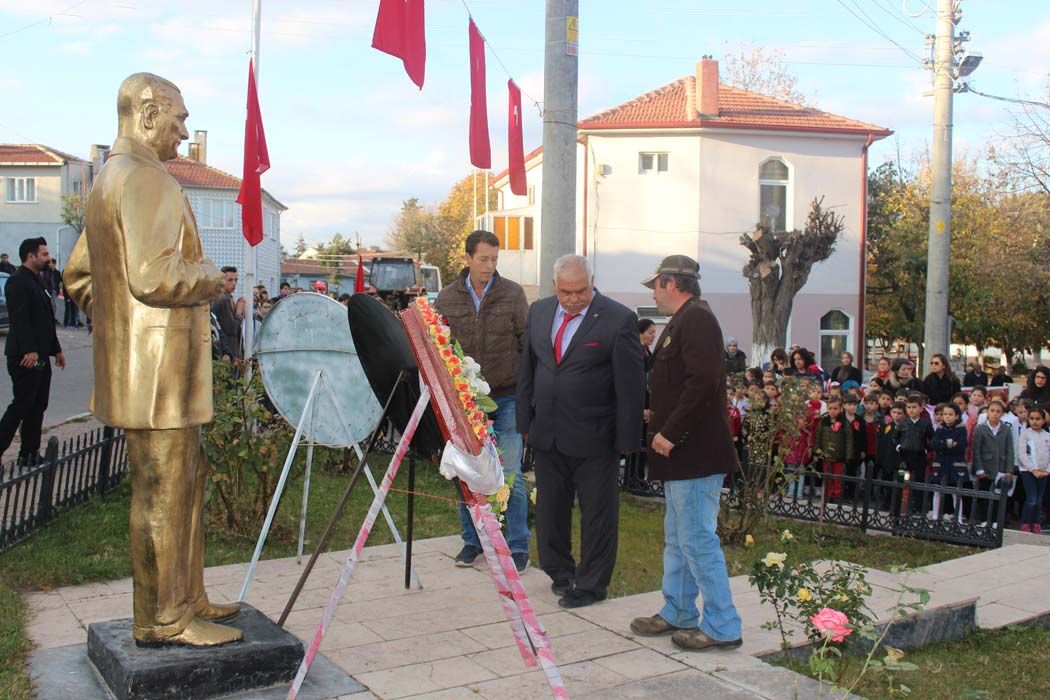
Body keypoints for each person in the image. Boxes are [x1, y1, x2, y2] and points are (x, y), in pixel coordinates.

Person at [64, 72, 240, 647]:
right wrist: (212, 278)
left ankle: (186, 596)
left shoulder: (109, 179)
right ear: (147, 114)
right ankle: (164, 619)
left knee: (182, 483)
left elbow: (81, 277)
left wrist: (122, 326)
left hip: (148, 368)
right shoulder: (143, 180)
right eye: (179, 118)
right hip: (161, 377)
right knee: (164, 489)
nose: (185, 132)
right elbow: (153, 276)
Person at [628, 254, 742, 652]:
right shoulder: (686, 319)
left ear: (671, 283)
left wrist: (670, 431)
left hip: (693, 454)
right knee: (678, 538)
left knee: (696, 539)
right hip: (683, 456)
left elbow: (705, 381)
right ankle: (678, 609)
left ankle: (723, 625)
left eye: (655, 287)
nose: (654, 295)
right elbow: (684, 383)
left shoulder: (696, 319)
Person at [517, 254, 643, 607]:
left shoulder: (617, 319)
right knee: (550, 510)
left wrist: (627, 441)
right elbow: (527, 368)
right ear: (555, 286)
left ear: (592, 283)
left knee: (598, 516)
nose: (573, 300)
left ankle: (591, 585)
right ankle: (560, 572)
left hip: (596, 437)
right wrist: (524, 422)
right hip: (547, 433)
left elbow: (632, 387)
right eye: (566, 292)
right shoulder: (540, 312)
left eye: (581, 291)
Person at [436, 230, 530, 573]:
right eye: (483, 259)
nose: (490, 266)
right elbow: (438, 347)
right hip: (464, 401)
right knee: (468, 472)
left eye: (495, 259)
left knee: (510, 474)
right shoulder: (446, 298)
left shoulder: (513, 294)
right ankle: (472, 541)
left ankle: (517, 546)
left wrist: (527, 395)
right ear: (468, 258)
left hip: (506, 397)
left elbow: (528, 343)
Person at [0, 237, 66, 466]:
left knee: (37, 404)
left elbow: (46, 320)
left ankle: (28, 454)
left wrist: (56, 350)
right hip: (25, 357)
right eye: (45, 254)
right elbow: (21, 319)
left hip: (39, 357)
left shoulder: (37, 281)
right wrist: (29, 350)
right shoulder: (17, 281)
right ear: (31, 255)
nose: (49, 258)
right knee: (22, 403)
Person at [971, 400, 1015, 528]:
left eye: (998, 411)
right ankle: (985, 519)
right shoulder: (981, 429)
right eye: (992, 411)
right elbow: (976, 450)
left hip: (1000, 468)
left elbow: (1010, 450)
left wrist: (1009, 469)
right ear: (987, 412)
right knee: (985, 495)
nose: (995, 414)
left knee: (999, 496)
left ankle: (996, 520)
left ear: (1002, 414)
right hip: (986, 467)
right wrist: (979, 469)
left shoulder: (1006, 429)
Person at [930, 403, 967, 521]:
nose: (947, 417)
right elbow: (934, 444)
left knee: (956, 493)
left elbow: (960, 446)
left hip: (955, 465)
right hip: (941, 463)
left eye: (950, 414)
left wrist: (944, 444)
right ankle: (936, 516)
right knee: (937, 490)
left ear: (957, 416)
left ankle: (958, 518)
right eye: (945, 414)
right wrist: (949, 443)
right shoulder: (940, 429)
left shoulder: (961, 429)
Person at [898, 394, 933, 514]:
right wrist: (898, 446)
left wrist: (927, 449)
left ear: (921, 409)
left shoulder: (925, 424)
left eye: (914, 407)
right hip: (904, 457)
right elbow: (895, 437)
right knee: (903, 479)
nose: (911, 410)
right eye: (908, 407)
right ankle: (902, 505)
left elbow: (931, 438)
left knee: (918, 481)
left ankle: (918, 507)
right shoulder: (903, 423)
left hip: (919, 457)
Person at [1018, 407, 1050, 533]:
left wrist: (1047, 470)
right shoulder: (1025, 434)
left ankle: (1036, 523)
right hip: (1028, 471)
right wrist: (1033, 470)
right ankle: (1025, 523)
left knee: (1039, 499)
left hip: (1044, 472)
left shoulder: (1047, 435)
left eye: (1038, 419)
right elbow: (1022, 454)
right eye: (1032, 419)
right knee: (1031, 499)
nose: (1035, 421)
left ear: (1043, 421)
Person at [211, 266, 244, 362]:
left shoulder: (228, 298)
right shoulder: (223, 299)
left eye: (235, 280)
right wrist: (239, 312)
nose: (234, 283)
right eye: (230, 280)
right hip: (227, 351)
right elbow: (231, 329)